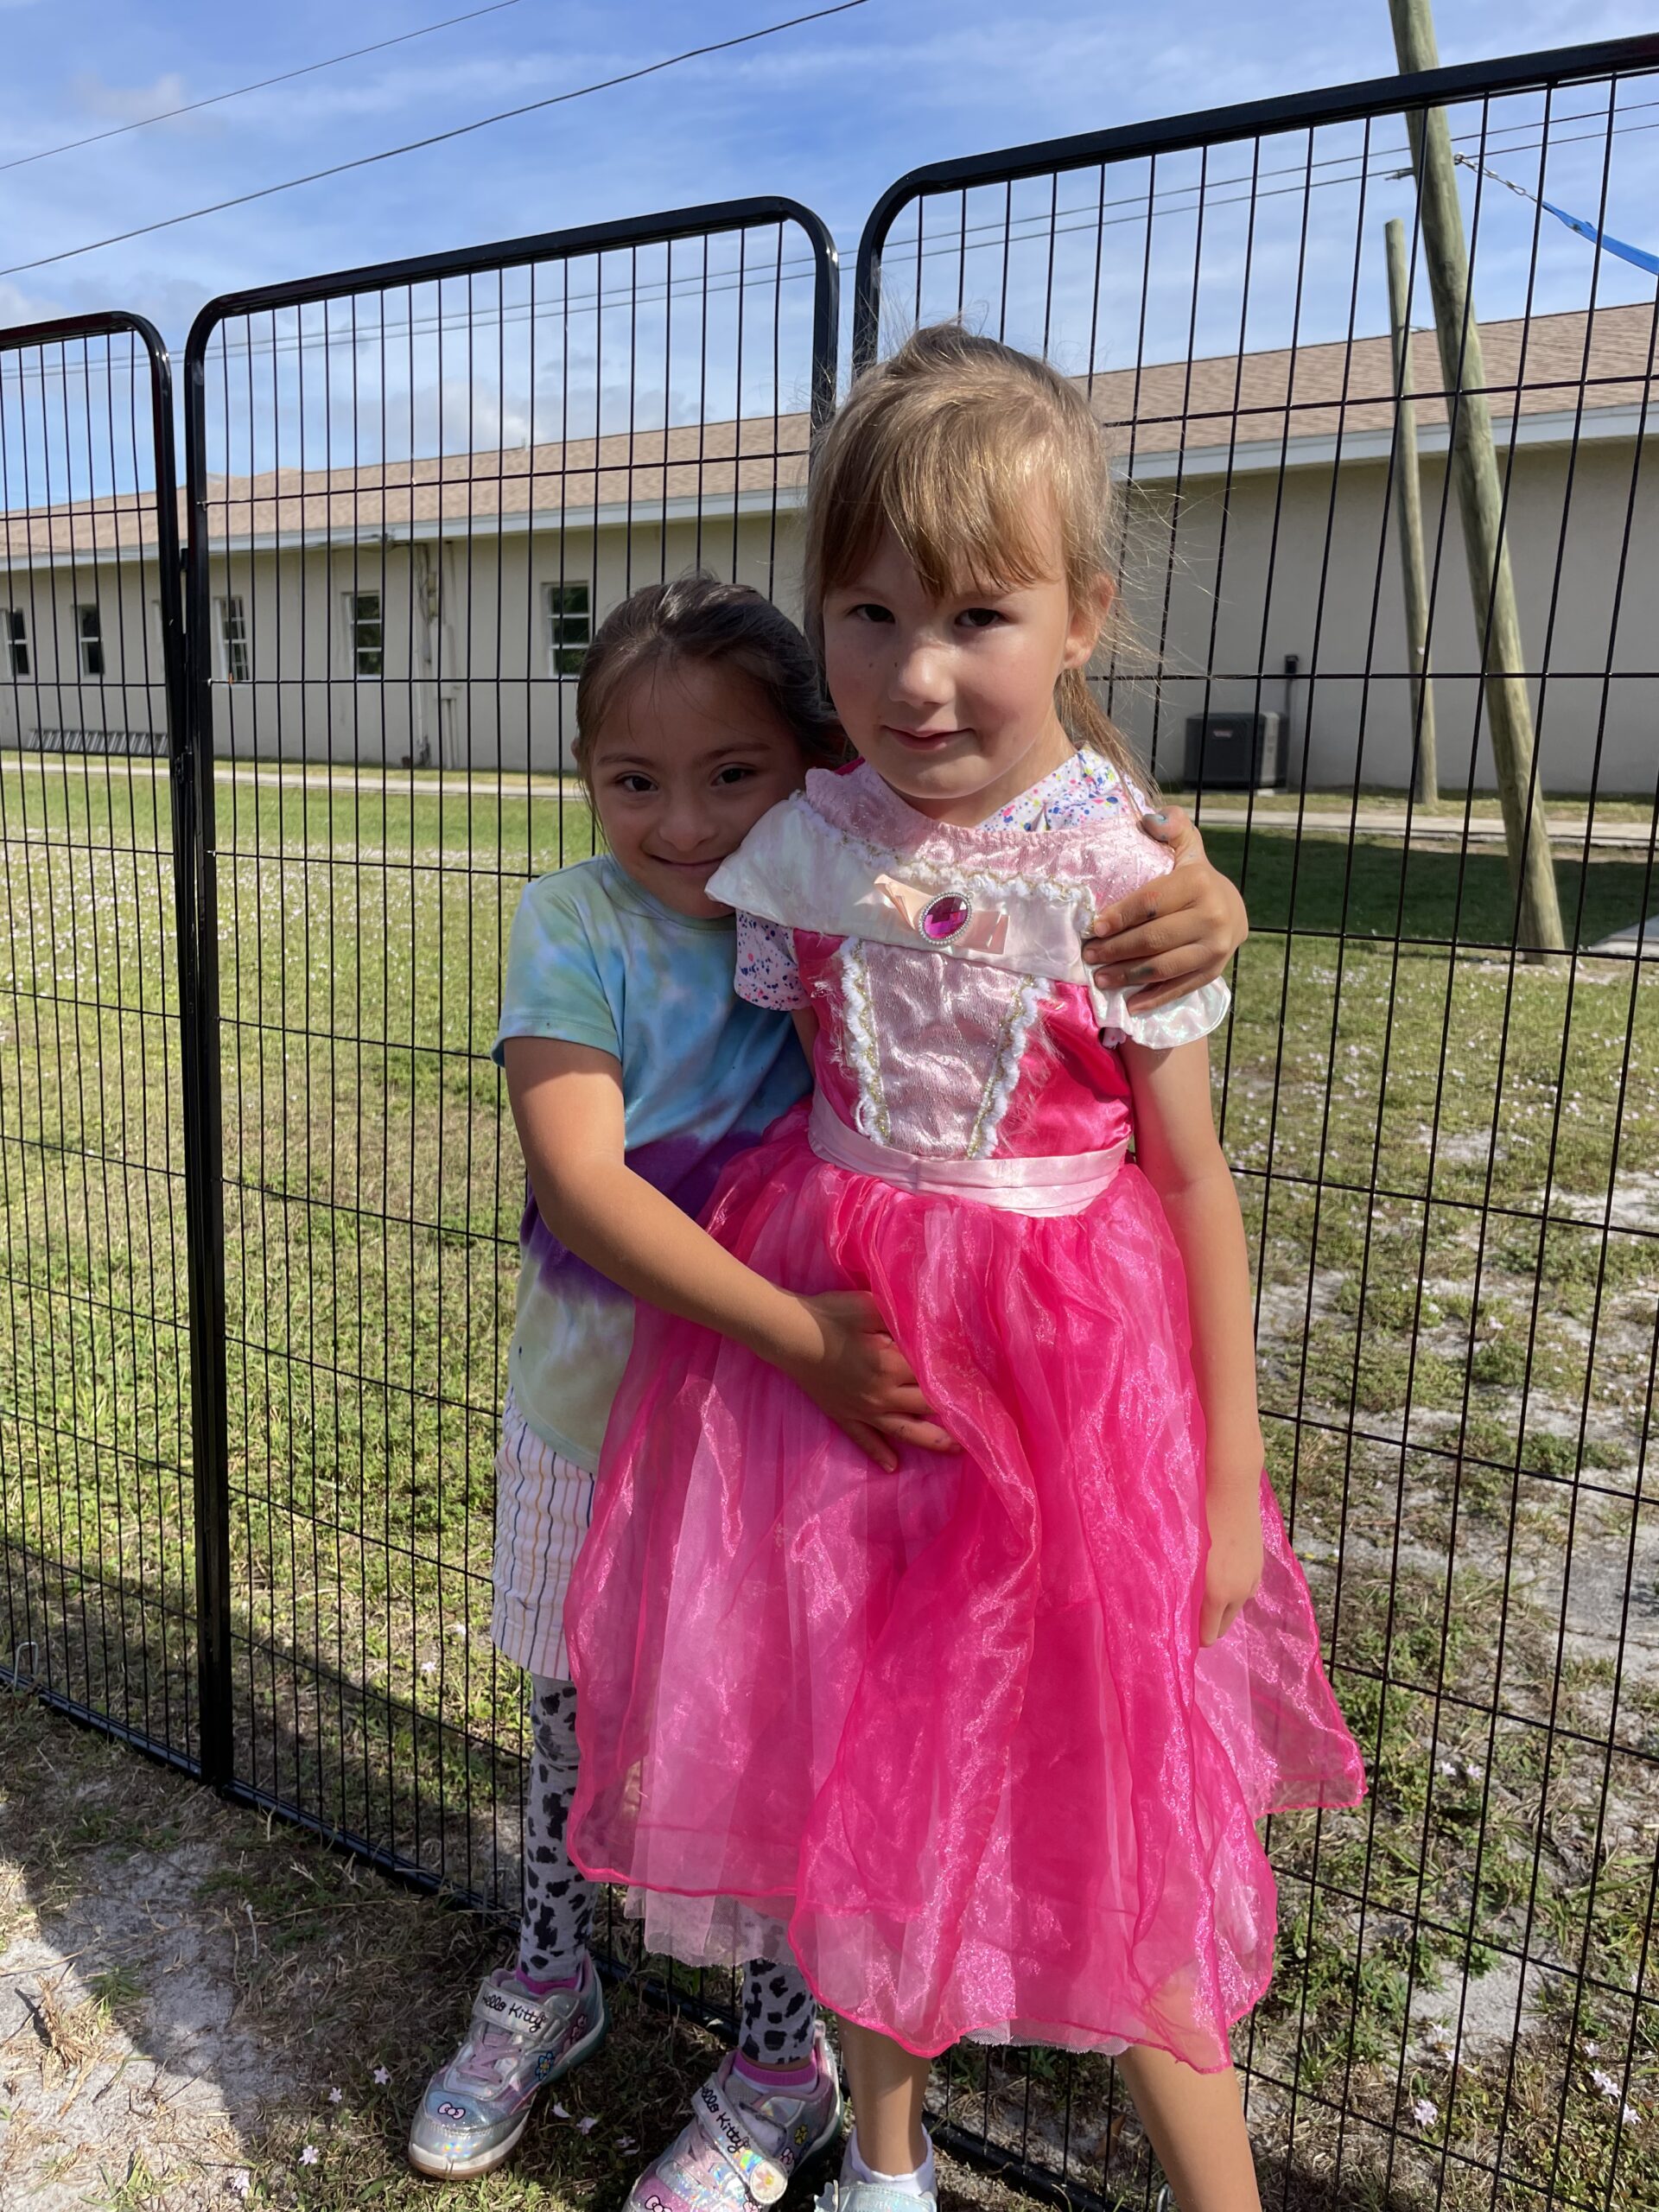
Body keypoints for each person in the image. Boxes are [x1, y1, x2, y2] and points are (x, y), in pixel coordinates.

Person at [565, 331, 1365, 2212]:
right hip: (829, 1357)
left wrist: (1232, 1483)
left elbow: (1194, 1177)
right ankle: (884, 2164)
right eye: (868, 612)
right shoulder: (798, 834)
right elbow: (655, 804)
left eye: (979, 616)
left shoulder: (1120, 874)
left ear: (1083, 615)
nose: (918, 673)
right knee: (863, 1770)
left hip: (1068, 1387)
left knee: (1116, 1797)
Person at [407, 570, 1249, 2185]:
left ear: (803, 767)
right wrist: (802, 1334)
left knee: (806, 1748)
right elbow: (586, 1178)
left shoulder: (822, 878)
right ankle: (549, 1970)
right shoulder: (616, 915)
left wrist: (1195, 880)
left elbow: (1016, 847)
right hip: (620, 1410)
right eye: (634, 780)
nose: (687, 823)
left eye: (734, 774)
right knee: (582, 1719)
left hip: (796, 1437)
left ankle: (782, 2068)